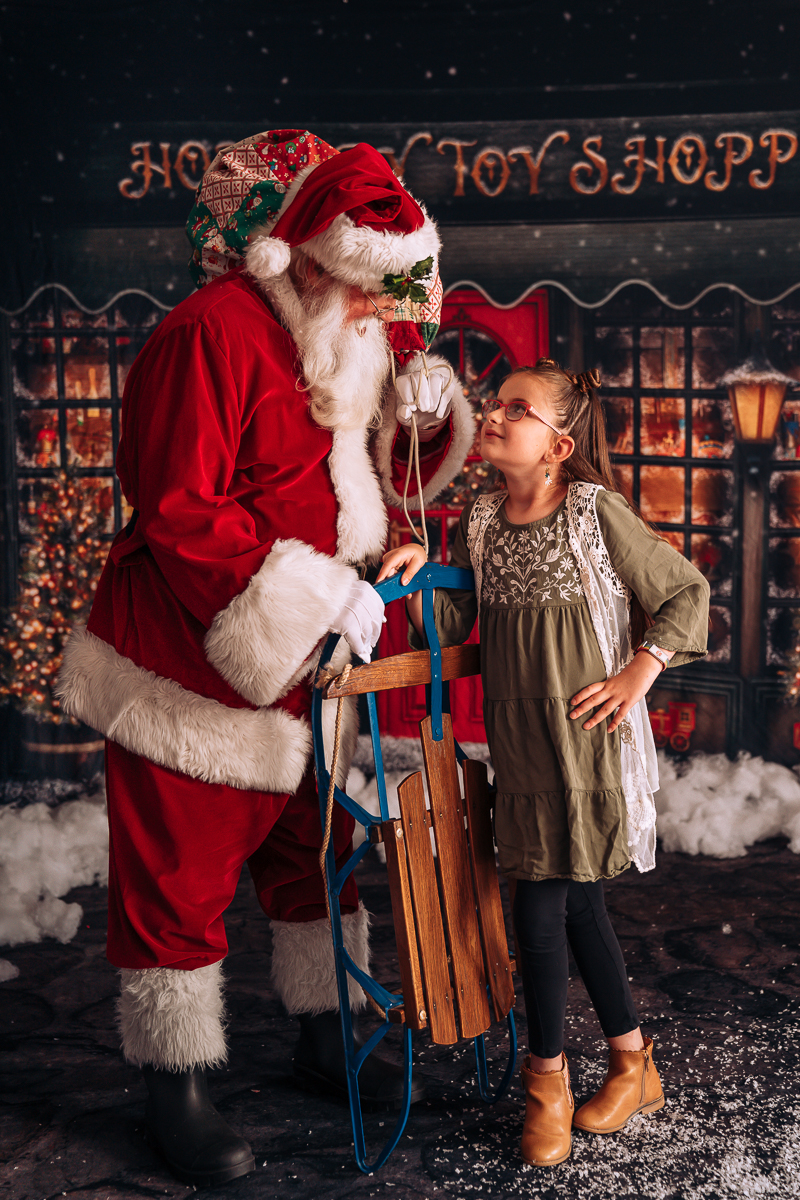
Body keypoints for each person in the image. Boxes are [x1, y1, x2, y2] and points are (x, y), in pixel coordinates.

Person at [56, 129, 475, 1187]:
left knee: (318, 854)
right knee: (177, 876)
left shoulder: (355, 332)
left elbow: (377, 473)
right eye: (373, 292)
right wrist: (319, 595)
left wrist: (422, 425)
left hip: (323, 660)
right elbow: (179, 513)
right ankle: (176, 1083)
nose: (388, 312)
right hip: (191, 662)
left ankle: (326, 1028)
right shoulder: (206, 334)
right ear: (308, 260)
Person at [377, 358, 710, 1167]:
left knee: (537, 911)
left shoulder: (596, 513)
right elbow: (451, 627)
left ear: (558, 445)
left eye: (516, 409)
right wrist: (423, 569)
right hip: (522, 751)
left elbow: (686, 593)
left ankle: (546, 1082)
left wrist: (641, 670)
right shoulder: (480, 523)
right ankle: (635, 1064)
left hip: (588, 745)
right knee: (580, 909)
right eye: (495, 404)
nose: (493, 415)